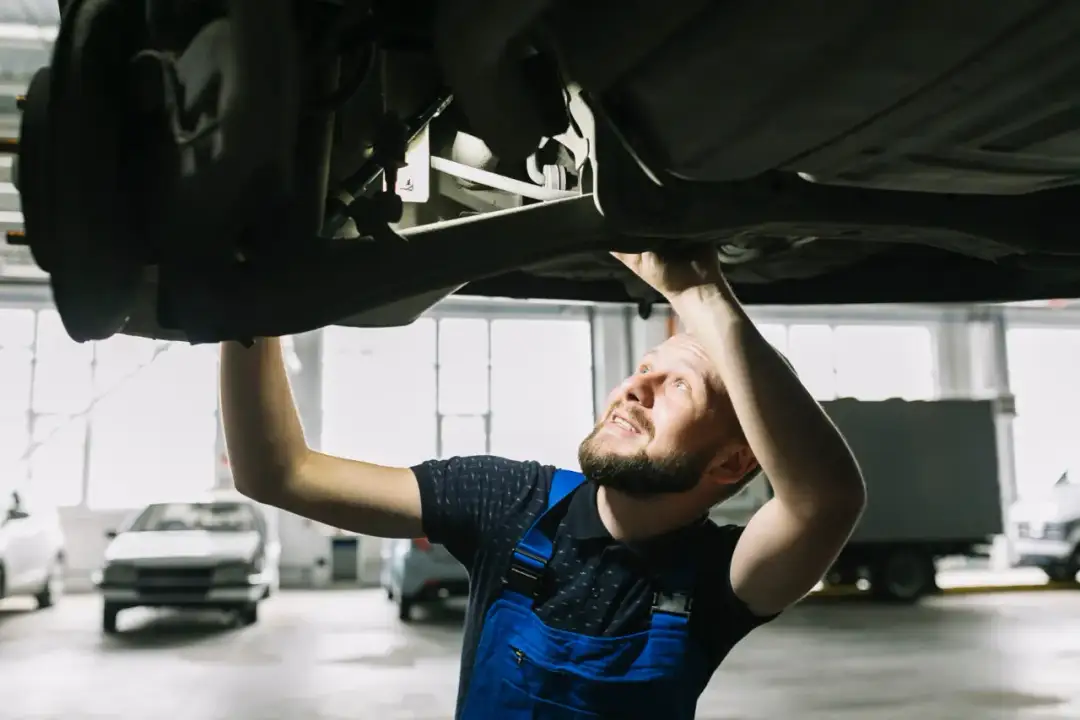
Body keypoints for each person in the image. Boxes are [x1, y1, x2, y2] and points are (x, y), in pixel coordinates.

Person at [220, 247, 866, 719]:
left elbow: (825, 501)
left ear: (730, 465)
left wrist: (699, 292)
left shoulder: (720, 580)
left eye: (678, 386)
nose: (635, 387)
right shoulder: (508, 503)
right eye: (644, 368)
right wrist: (252, 305)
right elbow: (278, 473)